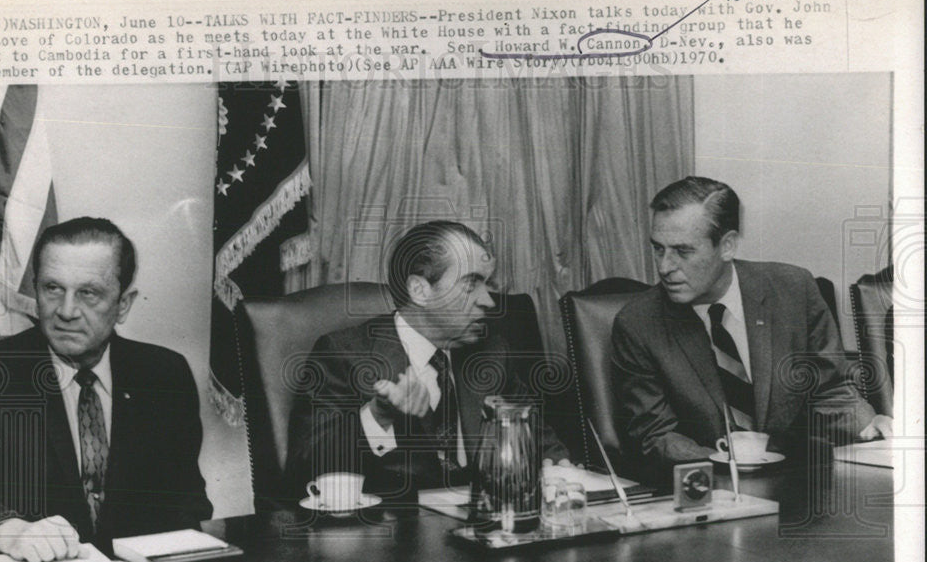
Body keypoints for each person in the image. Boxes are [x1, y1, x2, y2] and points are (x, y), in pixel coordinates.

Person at [0, 217, 212, 562]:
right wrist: (10, 531)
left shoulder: (163, 375)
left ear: (123, 304)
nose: (66, 311)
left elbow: (184, 500)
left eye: (88, 293)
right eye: (52, 289)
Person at [611, 176, 892, 480]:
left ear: (728, 245)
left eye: (683, 251)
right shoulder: (638, 323)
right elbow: (655, 437)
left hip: (796, 485)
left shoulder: (794, 290)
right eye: (658, 249)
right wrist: (733, 464)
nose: (665, 266)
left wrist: (869, 423)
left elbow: (828, 389)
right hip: (707, 489)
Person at [287, 220, 569, 498]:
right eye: (471, 285)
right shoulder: (345, 354)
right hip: (397, 536)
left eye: (487, 284)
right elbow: (304, 469)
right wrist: (378, 416)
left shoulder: (492, 354)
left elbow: (544, 449)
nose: (489, 301)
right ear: (420, 290)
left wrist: (562, 475)